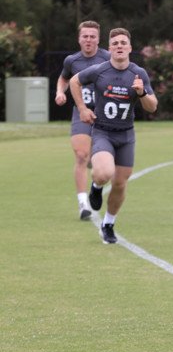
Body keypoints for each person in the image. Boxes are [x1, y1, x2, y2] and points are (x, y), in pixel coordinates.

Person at [69, 28, 158, 244]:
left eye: (123, 42)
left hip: (126, 135)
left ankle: (108, 224)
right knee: (103, 173)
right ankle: (96, 187)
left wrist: (142, 93)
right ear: (109, 49)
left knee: (120, 184)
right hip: (102, 132)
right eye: (115, 43)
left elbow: (152, 107)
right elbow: (74, 82)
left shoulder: (139, 74)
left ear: (130, 48)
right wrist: (82, 108)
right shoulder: (99, 70)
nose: (119, 46)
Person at [55, 21, 111, 220]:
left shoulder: (108, 58)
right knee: (80, 155)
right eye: (85, 36)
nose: (89, 40)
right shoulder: (72, 61)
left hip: (105, 115)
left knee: (102, 164)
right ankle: (82, 204)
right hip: (81, 112)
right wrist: (60, 92)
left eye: (92, 36)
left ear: (98, 39)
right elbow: (63, 78)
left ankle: (95, 181)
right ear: (79, 39)